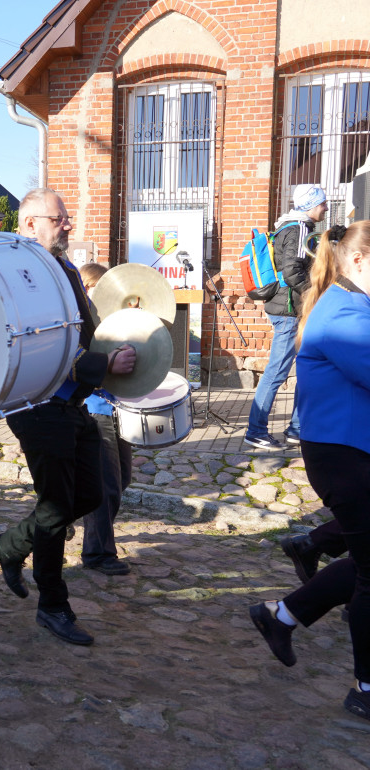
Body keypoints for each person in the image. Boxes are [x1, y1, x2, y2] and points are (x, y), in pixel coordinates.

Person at [0, 188, 136, 646]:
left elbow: (84, 332)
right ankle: (53, 605)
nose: (68, 225)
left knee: (88, 494)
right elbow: (33, 342)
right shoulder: (13, 272)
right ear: (29, 223)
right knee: (55, 504)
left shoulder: (64, 266)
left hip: (72, 399)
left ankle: (10, 546)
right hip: (34, 401)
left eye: (68, 218)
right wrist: (103, 366)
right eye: (59, 219)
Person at [249, 221, 370, 722]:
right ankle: (365, 688)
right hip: (344, 460)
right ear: (360, 261)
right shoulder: (342, 314)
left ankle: (283, 616)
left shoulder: (354, 306)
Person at [243, 184, 327, 450]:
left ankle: (297, 429)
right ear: (311, 205)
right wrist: (314, 295)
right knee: (277, 371)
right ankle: (255, 431)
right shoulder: (298, 229)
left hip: (290, 310)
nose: (325, 207)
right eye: (323, 203)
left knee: (305, 368)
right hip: (290, 311)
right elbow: (292, 272)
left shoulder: (290, 227)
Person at [78, 262, 133, 576]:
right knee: (107, 486)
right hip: (95, 408)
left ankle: (69, 514)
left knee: (122, 479)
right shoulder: (84, 325)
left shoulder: (112, 321)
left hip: (118, 407)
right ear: (88, 288)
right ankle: (98, 552)